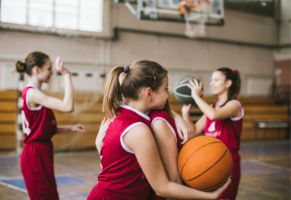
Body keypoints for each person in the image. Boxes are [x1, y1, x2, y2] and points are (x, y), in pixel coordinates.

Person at [88, 60, 231, 200]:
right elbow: (162, 188)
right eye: (166, 88)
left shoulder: (115, 114)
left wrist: (176, 116)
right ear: (148, 93)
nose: (169, 94)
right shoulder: (138, 130)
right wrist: (209, 196)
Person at [15, 51, 86, 200]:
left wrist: (70, 128)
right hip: (35, 153)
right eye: (49, 68)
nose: (52, 72)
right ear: (36, 69)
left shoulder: (35, 94)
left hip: (41, 150)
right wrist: (66, 75)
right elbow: (68, 106)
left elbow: (43, 130)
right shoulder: (33, 94)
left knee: (50, 196)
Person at [182, 67, 243, 200]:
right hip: (208, 159)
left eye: (216, 80)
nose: (211, 83)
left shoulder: (235, 105)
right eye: (211, 80)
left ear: (228, 83)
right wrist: (186, 113)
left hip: (227, 160)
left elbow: (214, 115)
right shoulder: (212, 107)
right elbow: (193, 132)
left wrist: (195, 96)